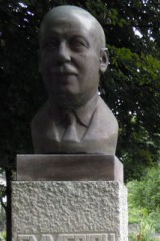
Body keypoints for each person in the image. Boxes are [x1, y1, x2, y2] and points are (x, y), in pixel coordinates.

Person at [31, 5, 118, 155]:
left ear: (102, 60)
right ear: (39, 60)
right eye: (51, 45)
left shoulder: (107, 127)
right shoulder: (39, 126)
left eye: (77, 44)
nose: (62, 55)